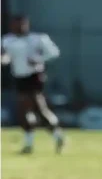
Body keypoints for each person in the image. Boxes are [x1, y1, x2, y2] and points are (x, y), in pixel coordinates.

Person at [1, 15, 65, 154]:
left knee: (33, 106)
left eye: (21, 24)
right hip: (19, 77)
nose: (19, 27)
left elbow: (54, 52)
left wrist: (39, 59)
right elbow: (6, 56)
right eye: (16, 24)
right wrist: (4, 60)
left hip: (35, 76)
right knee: (29, 110)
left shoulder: (38, 38)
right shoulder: (7, 40)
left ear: (27, 24)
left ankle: (34, 143)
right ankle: (55, 136)